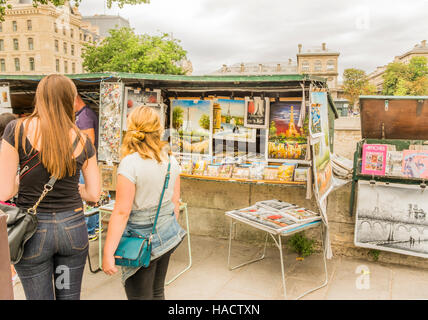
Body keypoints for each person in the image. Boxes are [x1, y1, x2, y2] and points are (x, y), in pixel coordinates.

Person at [0, 74, 100, 300]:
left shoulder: (16, 129)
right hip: (73, 230)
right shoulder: (82, 139)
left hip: (32, 232)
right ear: (70, 99)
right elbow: (94, 194)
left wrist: (24, 181)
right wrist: (75, 189)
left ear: (40, 97)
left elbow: (4, 191)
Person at [102, 106, 186, 300]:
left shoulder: (130, 163)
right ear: (158, 129)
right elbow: (175, 204)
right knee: (157, 292)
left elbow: (122, 212)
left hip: (139, 239)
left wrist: (108, 252)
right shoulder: (171, 160)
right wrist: (164, 233)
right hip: (167, 233)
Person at [74, 94, 100, 241]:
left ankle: (90, 230)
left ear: (75, 100)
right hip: (88, 163)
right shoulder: (84, 114)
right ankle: (94, 227)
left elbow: (88, 142)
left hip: (85, 164)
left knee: (88, 196)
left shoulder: (84, 116)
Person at [0, 112, 20, 287]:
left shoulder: (4, 149)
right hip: (16, 203)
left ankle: (12, 272)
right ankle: (14, 271)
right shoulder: (19, 148)